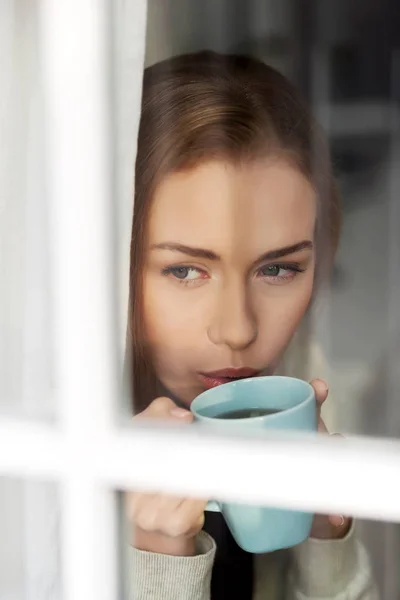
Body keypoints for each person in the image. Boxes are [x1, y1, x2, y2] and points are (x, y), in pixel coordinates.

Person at [125, 51, 378, 599]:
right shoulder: (40, 431)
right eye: (185, 270)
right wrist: (155, 559)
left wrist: (325, 543)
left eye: (278, 268)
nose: (238, 331)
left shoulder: (302, 378)